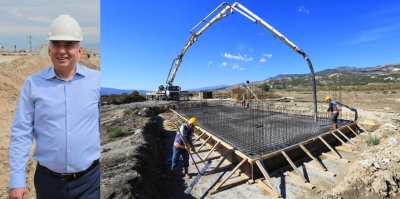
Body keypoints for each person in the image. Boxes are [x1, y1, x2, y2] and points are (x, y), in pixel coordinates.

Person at [8, 15, 100, 199]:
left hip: (90, 182)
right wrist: (17, 180)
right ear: (49, 50)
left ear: (80, 51)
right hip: (48, 183)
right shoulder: (32, 84)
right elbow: (21, 133)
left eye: (69, 45)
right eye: (56, 44)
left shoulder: (97, 81)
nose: (62, 51)